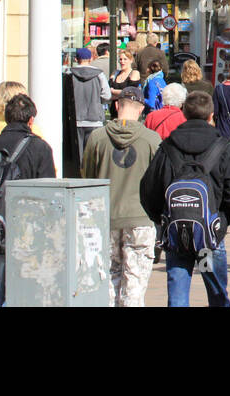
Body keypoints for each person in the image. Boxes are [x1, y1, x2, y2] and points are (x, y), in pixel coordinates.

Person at [139, 90, 230, 307]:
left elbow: (148, 190)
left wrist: (162, 219)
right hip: (208, 238)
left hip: (177, 236)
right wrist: (222, 222)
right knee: (216, 293)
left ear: (184, 114)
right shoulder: (222, 147)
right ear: (211, 116)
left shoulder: (168, 147)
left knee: (177, 296)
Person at [0, 93, 56, 307]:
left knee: (0, 289)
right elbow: (49, 195)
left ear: (6, 118)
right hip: (30, 233)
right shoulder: (40, 148)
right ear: (31, 120)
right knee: (28, 291)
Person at [81, 86, 162, 307]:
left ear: (117, 106)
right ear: (141, 109)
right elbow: (159, 181)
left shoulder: (97, 138)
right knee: (134, 284)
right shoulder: (152, 140)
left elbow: (87, 177)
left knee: (107, 278)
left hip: (104, 217)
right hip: (140, 219)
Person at [71, 46, 110, 159]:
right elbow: (107, 95)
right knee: (93, 156)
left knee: (78, 157)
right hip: (95, 120)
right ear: (91, 58)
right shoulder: (99, 74)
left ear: (76, 59)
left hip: (76, 119)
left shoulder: (71, 74)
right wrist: (98, 101)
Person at [108, 49, 143, 119]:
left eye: (125, 59)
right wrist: (121, 94)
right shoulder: (115, 73)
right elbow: (107, 93)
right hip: (114, 112)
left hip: (129, 112)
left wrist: (113, 91)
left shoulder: (134, 73)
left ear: (131, 60)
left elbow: (130, 93)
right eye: (120, 59)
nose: (122, 62)